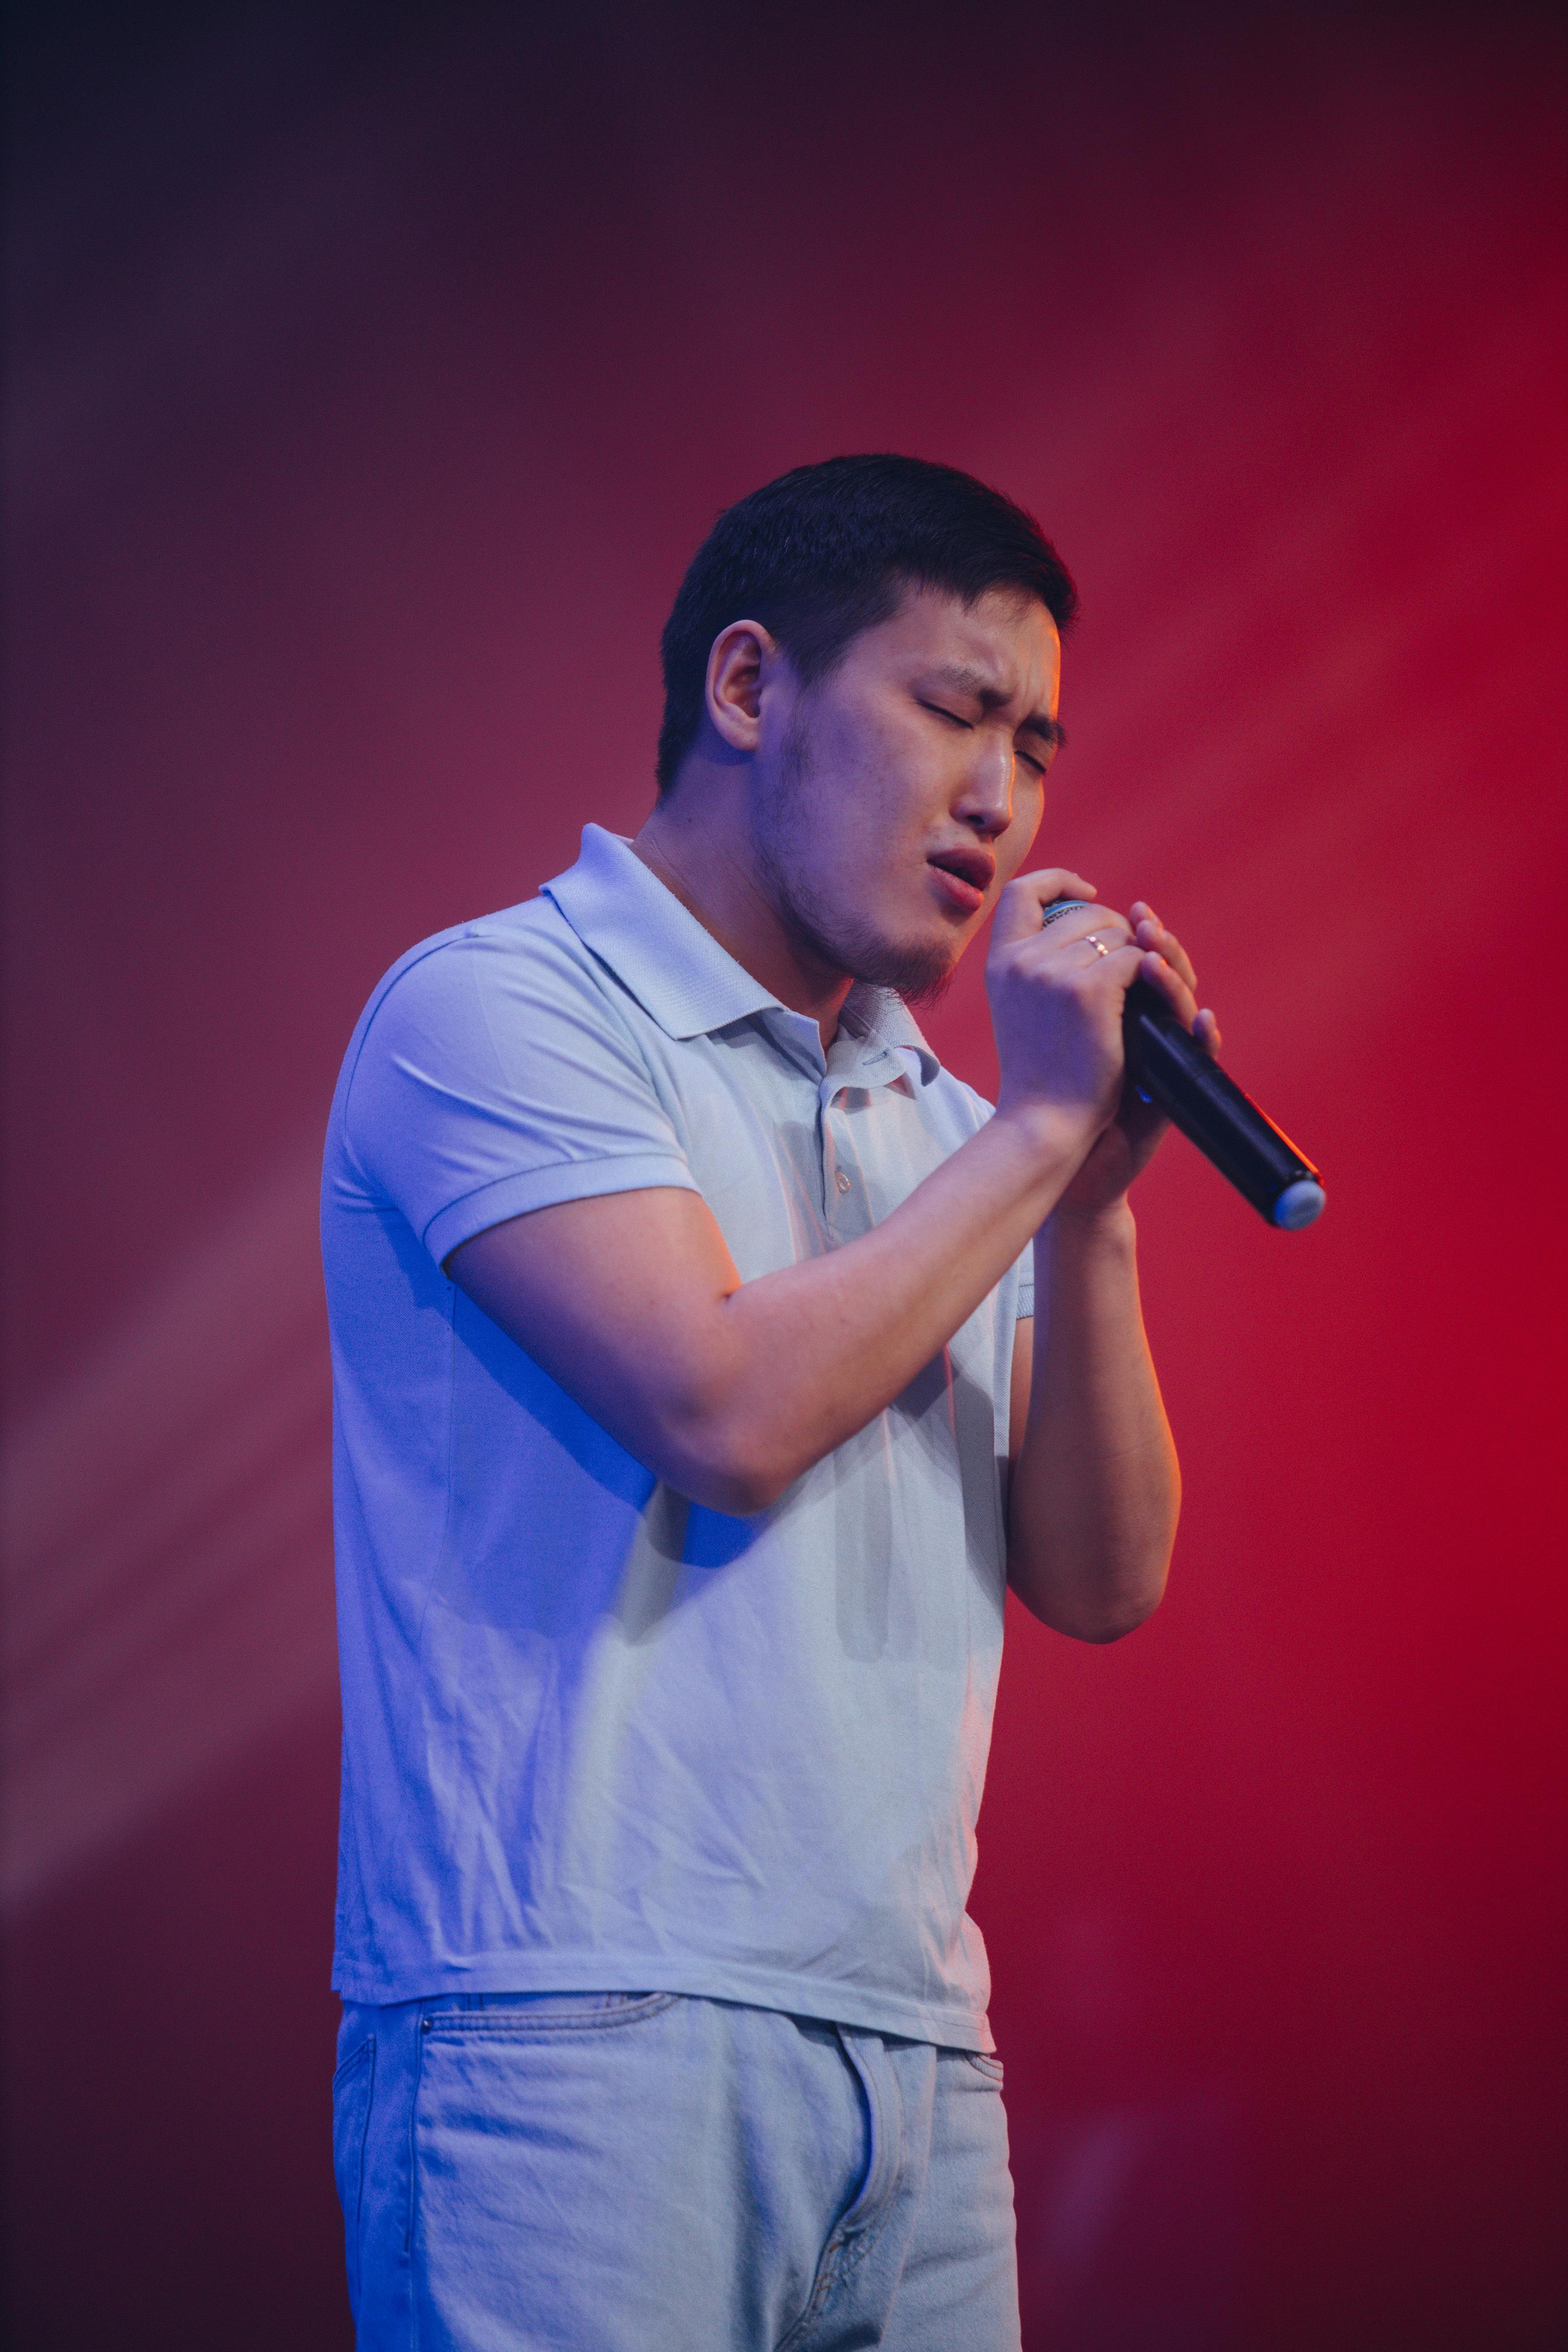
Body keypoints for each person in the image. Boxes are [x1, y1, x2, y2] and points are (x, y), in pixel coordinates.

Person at [322, 453, 1218, 2350]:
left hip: (918, 2051)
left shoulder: (955, 1129)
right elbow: (720, 1411)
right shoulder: (502, 1007)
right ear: (750, 687)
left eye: (1036, 748)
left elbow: (1104, 1575)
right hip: (576, 2037)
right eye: (955, 710)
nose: (1001, 801)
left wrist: (1092, 1204)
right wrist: (1038, 1135)